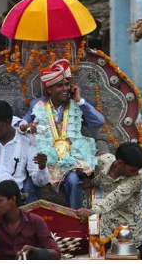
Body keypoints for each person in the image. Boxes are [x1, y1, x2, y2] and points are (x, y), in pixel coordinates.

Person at [21, 59, 104, 209]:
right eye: (60, 85)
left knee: (72, 181)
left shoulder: (76, 104)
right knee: (27, 187)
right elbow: (21, 125)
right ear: (49, 89)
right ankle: (32, 224)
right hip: (44, 159)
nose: (65, 88)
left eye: (67, 84)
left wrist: (79, 100)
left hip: (71, 159)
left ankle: (76, 221)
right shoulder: (37, 105)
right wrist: (28, 126)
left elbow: (98, 122)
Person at [0, 101, 49, 204]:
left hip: (10, 202)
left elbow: (39, 182)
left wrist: (42, 167)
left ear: (7, 123)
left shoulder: (27, 142)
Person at [0, 180, 61, 260]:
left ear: (13, 200)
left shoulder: (36, 221)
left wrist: (34, 250)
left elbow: (56, 254)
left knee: (41, 255)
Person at [76, 143, 142, 247]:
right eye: (133, 170)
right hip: (106, 229)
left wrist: (92, 211)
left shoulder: (139, 176)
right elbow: (100, 176)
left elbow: (115, 197)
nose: (136, 173)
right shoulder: (103, 161)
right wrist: (93, 182)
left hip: (129, 230)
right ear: (120, 163)